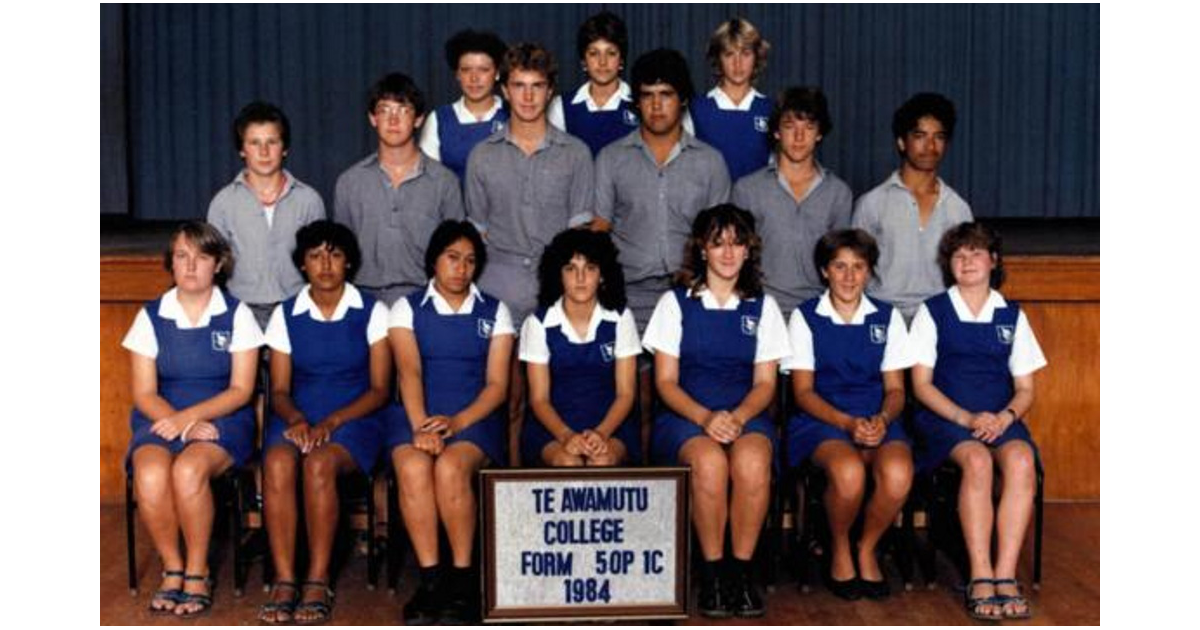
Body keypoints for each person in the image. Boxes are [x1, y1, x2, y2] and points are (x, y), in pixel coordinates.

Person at [642, 204, 788, 618]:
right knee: (708, 463)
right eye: (718, 242)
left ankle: (738, 573)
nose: (728, 252)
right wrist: (706, 418)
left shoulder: (763, 306)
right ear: (702, 249)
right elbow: (665, 382)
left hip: (746, 414)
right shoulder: (676, 303)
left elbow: (765, 384)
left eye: (737, 243)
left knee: (754, 461)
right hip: (687, 417)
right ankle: (711, 572)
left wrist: (738, 417)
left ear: (749, 251)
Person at [122, 222, 263, 617]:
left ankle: (199, 571)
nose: (190, 266)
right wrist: (182, 423)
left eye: (201, 256)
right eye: (181, 256)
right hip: (162, 416)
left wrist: (194, 418)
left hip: (223, 417)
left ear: (218, 264)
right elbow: (144, 393)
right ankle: (173, 568)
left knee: (187, 471)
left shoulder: (238, 315)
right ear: (171, 263)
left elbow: (241, 390)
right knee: (149, 474)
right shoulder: (151, 316)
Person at [910, 222, 1046, 620]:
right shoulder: (932, 311)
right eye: (958, 254)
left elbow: (1025, 389)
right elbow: (920, 385)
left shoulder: (1011, 314)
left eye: (975, 253)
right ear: (948, 263)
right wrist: (965, 417)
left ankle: (1005, 573)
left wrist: (1004, 418)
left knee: (1021, 461)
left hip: (1000, 419)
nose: (967, 261)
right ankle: (980, 574)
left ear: (994, 260)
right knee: (978, 461)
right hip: (947, 417)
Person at [258, 221, 392, 625]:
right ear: (303, 264)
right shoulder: (286, 314)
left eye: (334, 254)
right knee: (279, 463)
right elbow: (279, 389)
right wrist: (298, 419)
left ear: (348, 261)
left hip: (356, 417)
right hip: (298, 416)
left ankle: (317, 580)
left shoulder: (372, 311)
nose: (326, 264)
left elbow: (380, 388)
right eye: (315, 255)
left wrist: (332, 422)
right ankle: (285, 580)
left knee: (319, 465)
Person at [387, 220, 515, 624]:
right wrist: (422, 426)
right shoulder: (406, 307)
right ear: (434, 261)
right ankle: (431, 581)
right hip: (416, 413)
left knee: (450, 468)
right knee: (412, 466)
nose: (461, 268)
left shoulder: (495, 311)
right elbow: (408, 371)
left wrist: (456, 423)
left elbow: (496, 386)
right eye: (452, 257)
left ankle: (463, 581)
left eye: (470, 261)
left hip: (473, 418)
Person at [782, 229, 914, 601]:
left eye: (858, 267)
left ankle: (866, 546)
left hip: (877, 420)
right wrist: (846, 423)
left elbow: (896, 390)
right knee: (849, 473)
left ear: (869, 271)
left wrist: (882, 421)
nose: (849, 276)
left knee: (899, 473)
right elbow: (803, 392)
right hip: (822, 422)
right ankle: (839, 545)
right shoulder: (806, 317)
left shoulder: (887, 318)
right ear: (825, 271)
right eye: (839, 266)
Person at [594, 48, 730, 333]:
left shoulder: (710, 162)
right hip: (627, 295)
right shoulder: (611, 158)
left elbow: (720, 239)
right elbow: (599, 231)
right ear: (636, 103)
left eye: (666, 94)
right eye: (647, 95)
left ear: (682, 100)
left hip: (692, 293)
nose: (656, 105)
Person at [465, 41, 595, 330]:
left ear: (550, 91)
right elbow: (478, 232)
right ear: (505, 90)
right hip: (496, 286)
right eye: (519, 85)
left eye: (537, 86)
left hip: (557, 287)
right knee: (497, 375)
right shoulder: (481, 155)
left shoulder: (576, 154)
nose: (527, 96)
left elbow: (579, 235)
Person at [333, 72, 465, 306]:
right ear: (373, 118)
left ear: (418, 119)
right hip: (364, 300)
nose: (393, 120)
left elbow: (457, 251)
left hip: (426, 300)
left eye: (403, 110)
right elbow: (340, 255)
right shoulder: (349, 182)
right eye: (384, 110)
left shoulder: (444, 182)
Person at [519, 229, 641, 466]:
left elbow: (626, 393)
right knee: (569, 463)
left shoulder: (621, 318)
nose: (581, 278)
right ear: (559, 275)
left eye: (590, 268)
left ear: (603, 275)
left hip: (612, 424)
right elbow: (539, 399)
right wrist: (566, 436)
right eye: (571, 268)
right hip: (553, 426)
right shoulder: (538, 323)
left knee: (601, 461)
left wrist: (602, 434)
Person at [852, 92, 972, 322]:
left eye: (939, 137)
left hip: (939, 320)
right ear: (901, 142)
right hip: (883, 319)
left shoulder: (958, 208)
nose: (930, 146)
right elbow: (854, 271)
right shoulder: (872, 203)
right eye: (920, 136)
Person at [732, 86, 853, 315]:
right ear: (776, 131)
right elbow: (736, 261)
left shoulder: (838, 193)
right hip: (760, 309)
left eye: (808, 127)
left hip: (818, 312)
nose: (799, 137)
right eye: (789, 127)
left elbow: (841, 264)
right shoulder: (747, 190)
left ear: (819, 133)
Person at [207, 101, 326, 327]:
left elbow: (320, 264)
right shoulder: (223, 203)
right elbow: (214, 268)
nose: (264, 152)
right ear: (242, 149)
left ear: (285, 148)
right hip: (241, 312)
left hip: (296, 310)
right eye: (254, 143)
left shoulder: (309, 200)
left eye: (272, 142)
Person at [686, 18, 773, 181]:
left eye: (745, 54)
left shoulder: (771, 110)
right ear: (718, 58)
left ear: (756, 57)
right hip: (710, 205)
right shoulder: (696, 109)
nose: (738, 63)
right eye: (729, 54)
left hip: (757, 205)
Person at [420, 29, 509, 181]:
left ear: (497, 73)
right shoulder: (440, 120)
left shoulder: (514, 115)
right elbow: (428, 185)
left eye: (483, 70)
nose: (474, 78)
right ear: (457, 74)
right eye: (466, 70)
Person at [547, 10, 638, 156]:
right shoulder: (561, 107)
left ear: (621, 60)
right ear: (583, 61)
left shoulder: (640, 102)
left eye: (611, 53)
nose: (602, 62)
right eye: (594, 53)